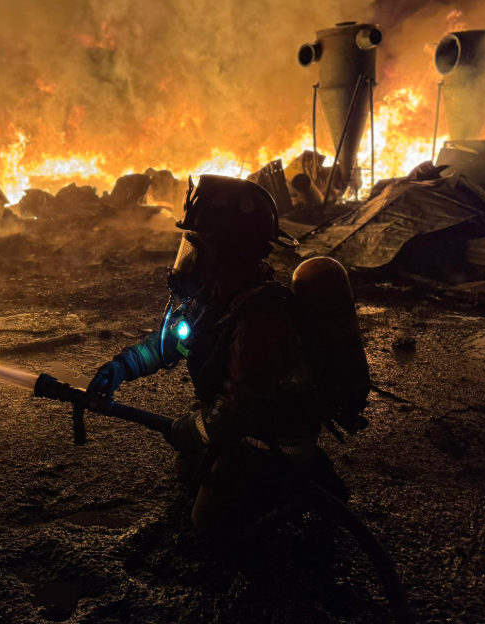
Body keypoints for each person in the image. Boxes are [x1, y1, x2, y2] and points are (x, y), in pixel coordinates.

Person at [87, 174, 369, 537]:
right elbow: (170, 342)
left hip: (275, 441)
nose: (189, 258)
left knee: (208, 524)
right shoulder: (218, 297)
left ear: (228, 252)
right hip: (248, 426)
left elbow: (235, 412)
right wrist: (122, 366)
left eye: (197, 247)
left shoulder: (260, 318)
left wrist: (189, 429)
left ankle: (299, 489)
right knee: (189, 469)